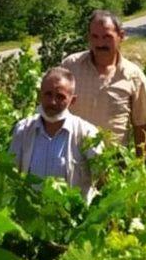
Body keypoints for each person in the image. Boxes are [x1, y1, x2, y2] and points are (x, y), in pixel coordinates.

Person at [62, 9, 146, 155]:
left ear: (121, 36)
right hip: (71, 160)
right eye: (95, 36)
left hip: (112, 166)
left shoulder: (134, 76)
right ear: (89, 37)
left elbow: (142, 126)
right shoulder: (70, 66)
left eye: (107, 37)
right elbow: (51, 109)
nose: (100, 43)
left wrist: (140, 166)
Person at [10, 67, 101, 200]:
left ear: (72, 100)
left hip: (72, 217)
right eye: (48, 94)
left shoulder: (87, 134)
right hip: (31, 216)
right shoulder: (23, 130)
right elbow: (11, 175)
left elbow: (101, 180)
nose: (53, 102)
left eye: (60, 97)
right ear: (40, 95)